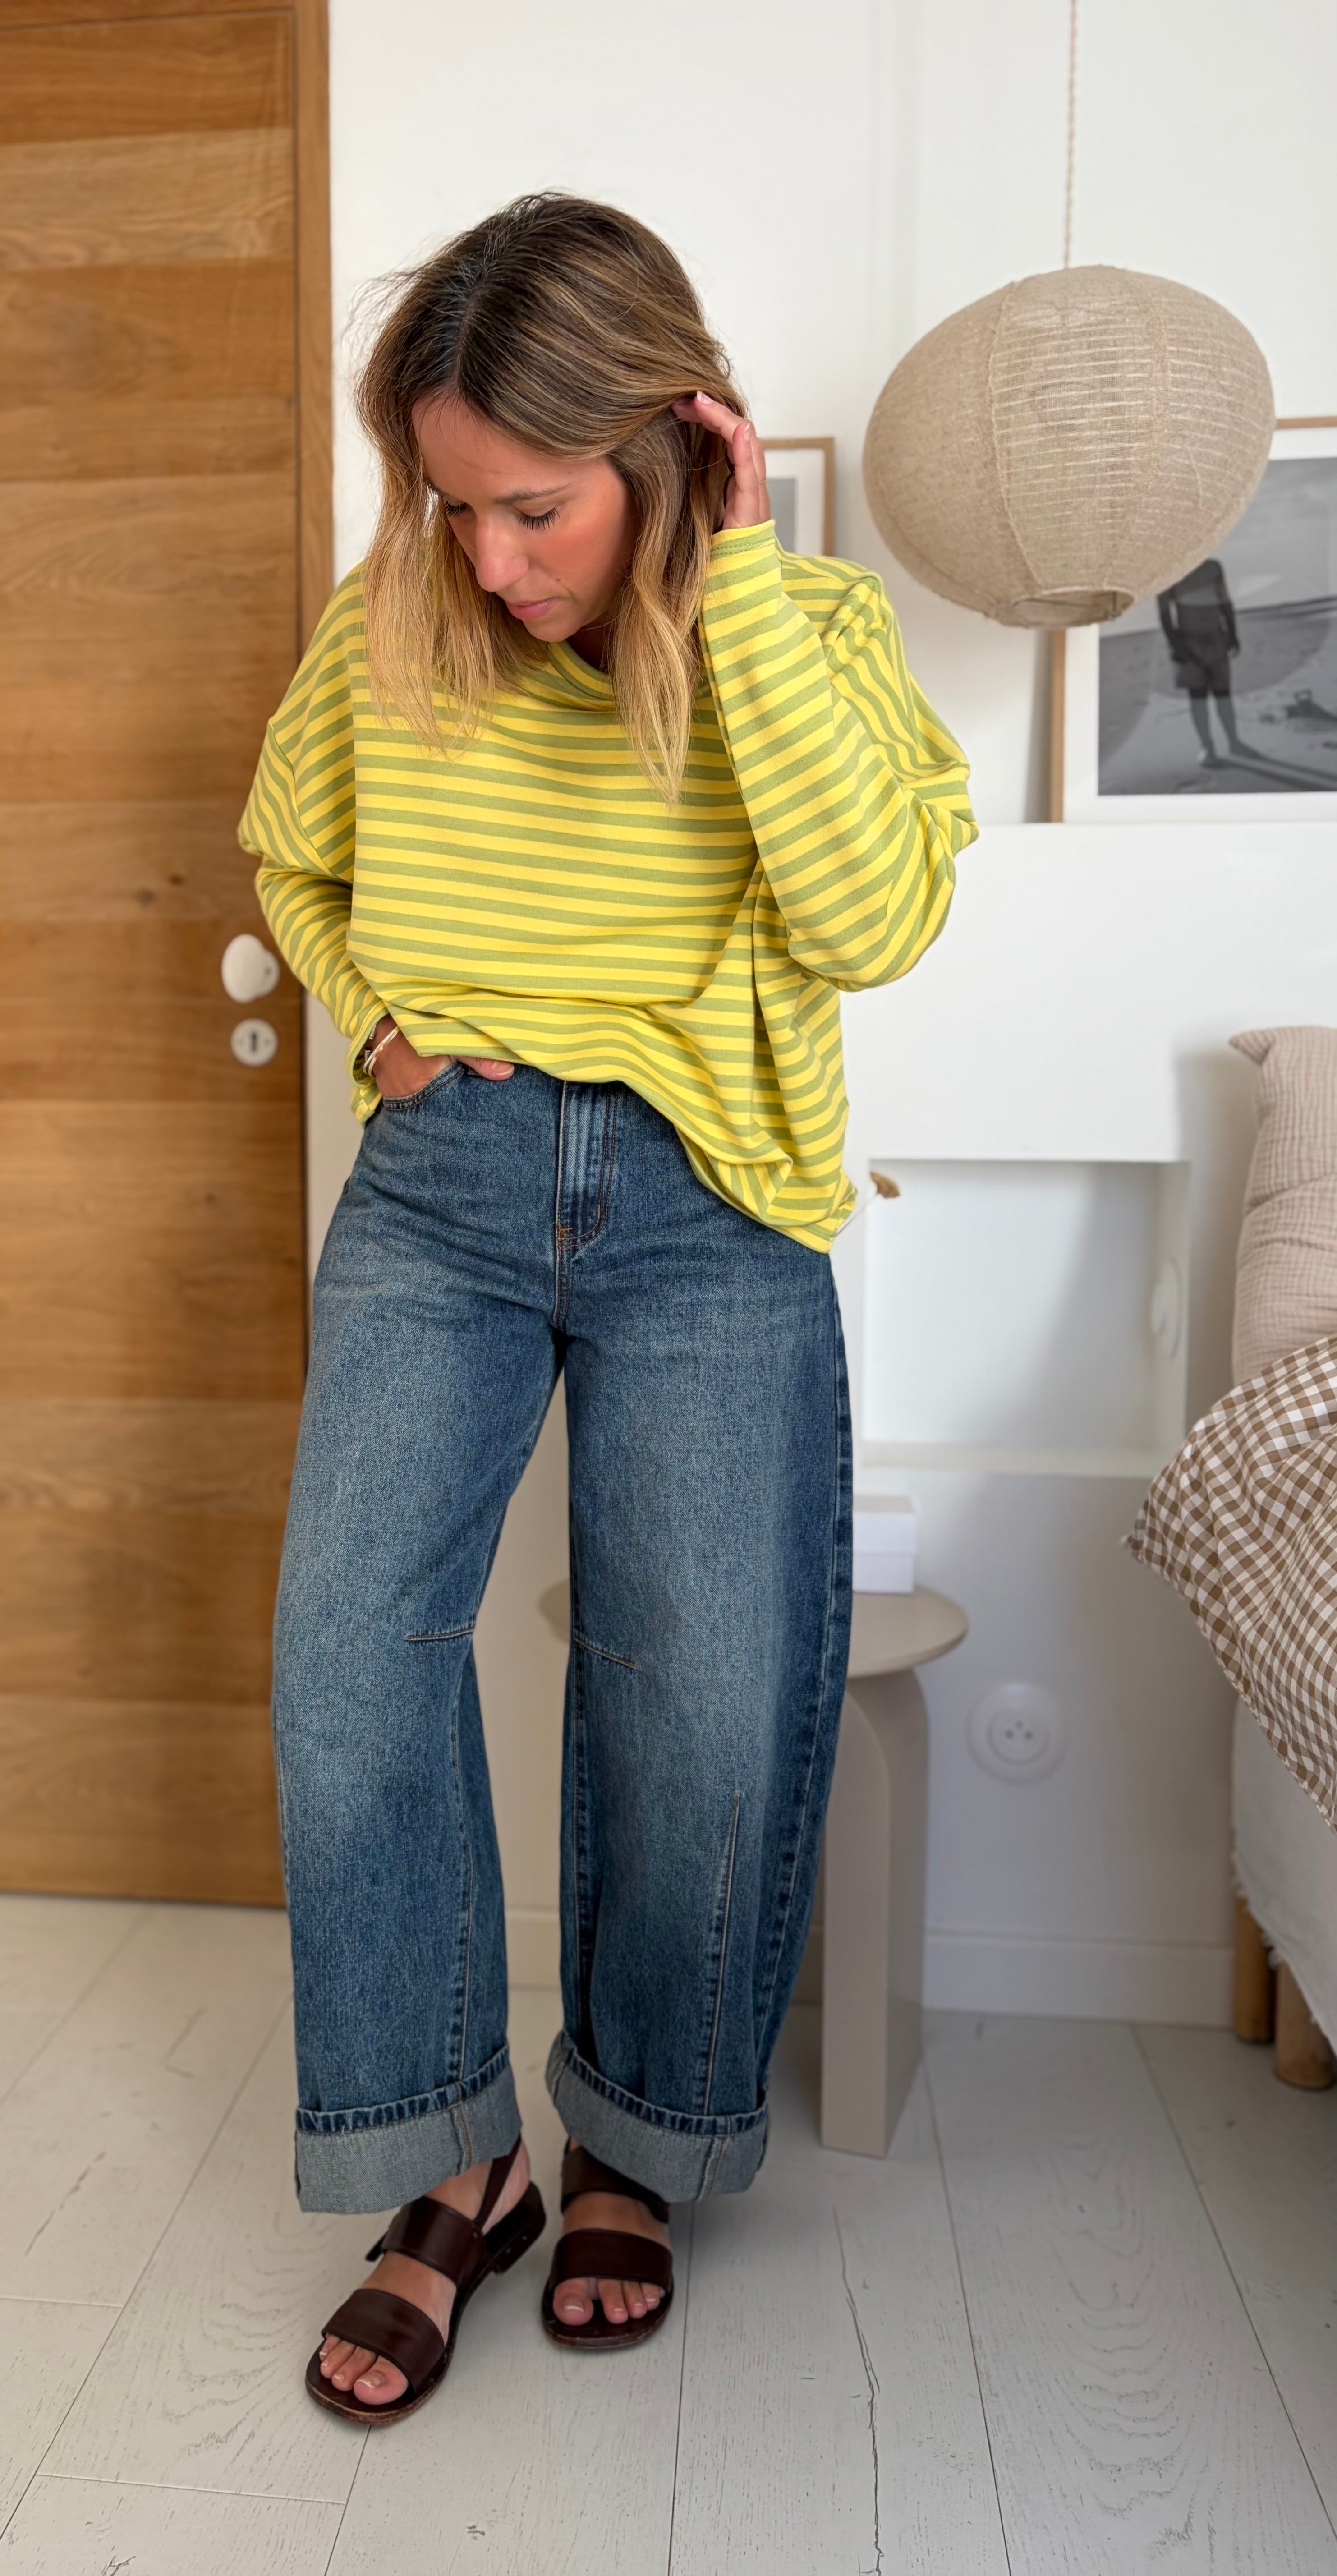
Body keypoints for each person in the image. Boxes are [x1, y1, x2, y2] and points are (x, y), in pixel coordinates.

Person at [240, 191, 975, 2425]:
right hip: (443, 1187)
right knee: (346, 1663)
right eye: (449, 505)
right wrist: (373, 1021)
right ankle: (448, 2158)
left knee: (698, 1697)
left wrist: (731, 586)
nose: (486, 558)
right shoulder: (390, 620)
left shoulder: (806, 624)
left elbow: (866, 923)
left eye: (532, 506)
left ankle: (636, 2141)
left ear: (670, 445)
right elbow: (290, 847)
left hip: (707, 1197)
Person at [1157, 557, 1245, 766]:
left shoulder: (1213, 567)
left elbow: (1225, 602)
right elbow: (1165, 614)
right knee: (1198, 697)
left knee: (1224, 694)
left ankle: (1234, 741)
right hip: (1189, 642)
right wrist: (1177, 647)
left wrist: (1233, 634)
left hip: (1217, 638)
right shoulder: (1166, 570)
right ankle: (1207, 747)